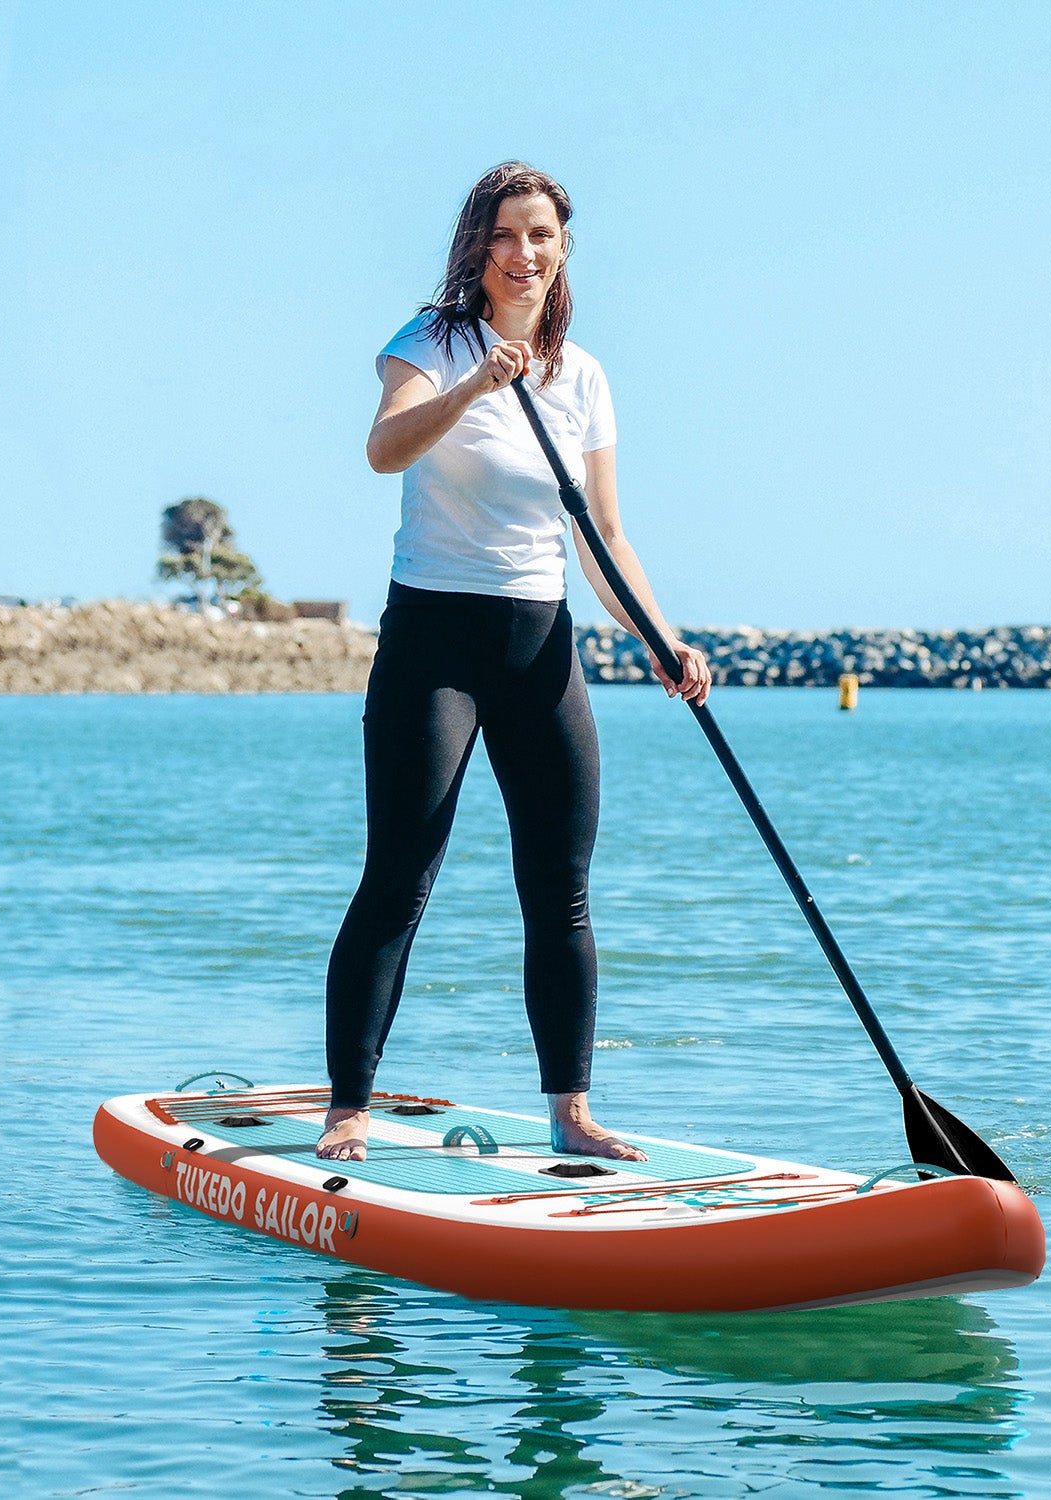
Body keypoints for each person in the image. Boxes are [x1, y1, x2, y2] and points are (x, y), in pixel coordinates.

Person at [316, 162, 710, 1163]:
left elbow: (605, 536)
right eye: (505, 234)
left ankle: (572, 1114)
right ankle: (348, 1110)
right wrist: (475, 386)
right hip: (434, 643)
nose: (523, 253)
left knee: (562, 887)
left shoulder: (582, 376)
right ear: (476, 248)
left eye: (541, 235)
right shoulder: (434, 343)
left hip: (540, 642)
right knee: (400, 876)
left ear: (562, 248)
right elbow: (383, 449)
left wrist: (662, 641)